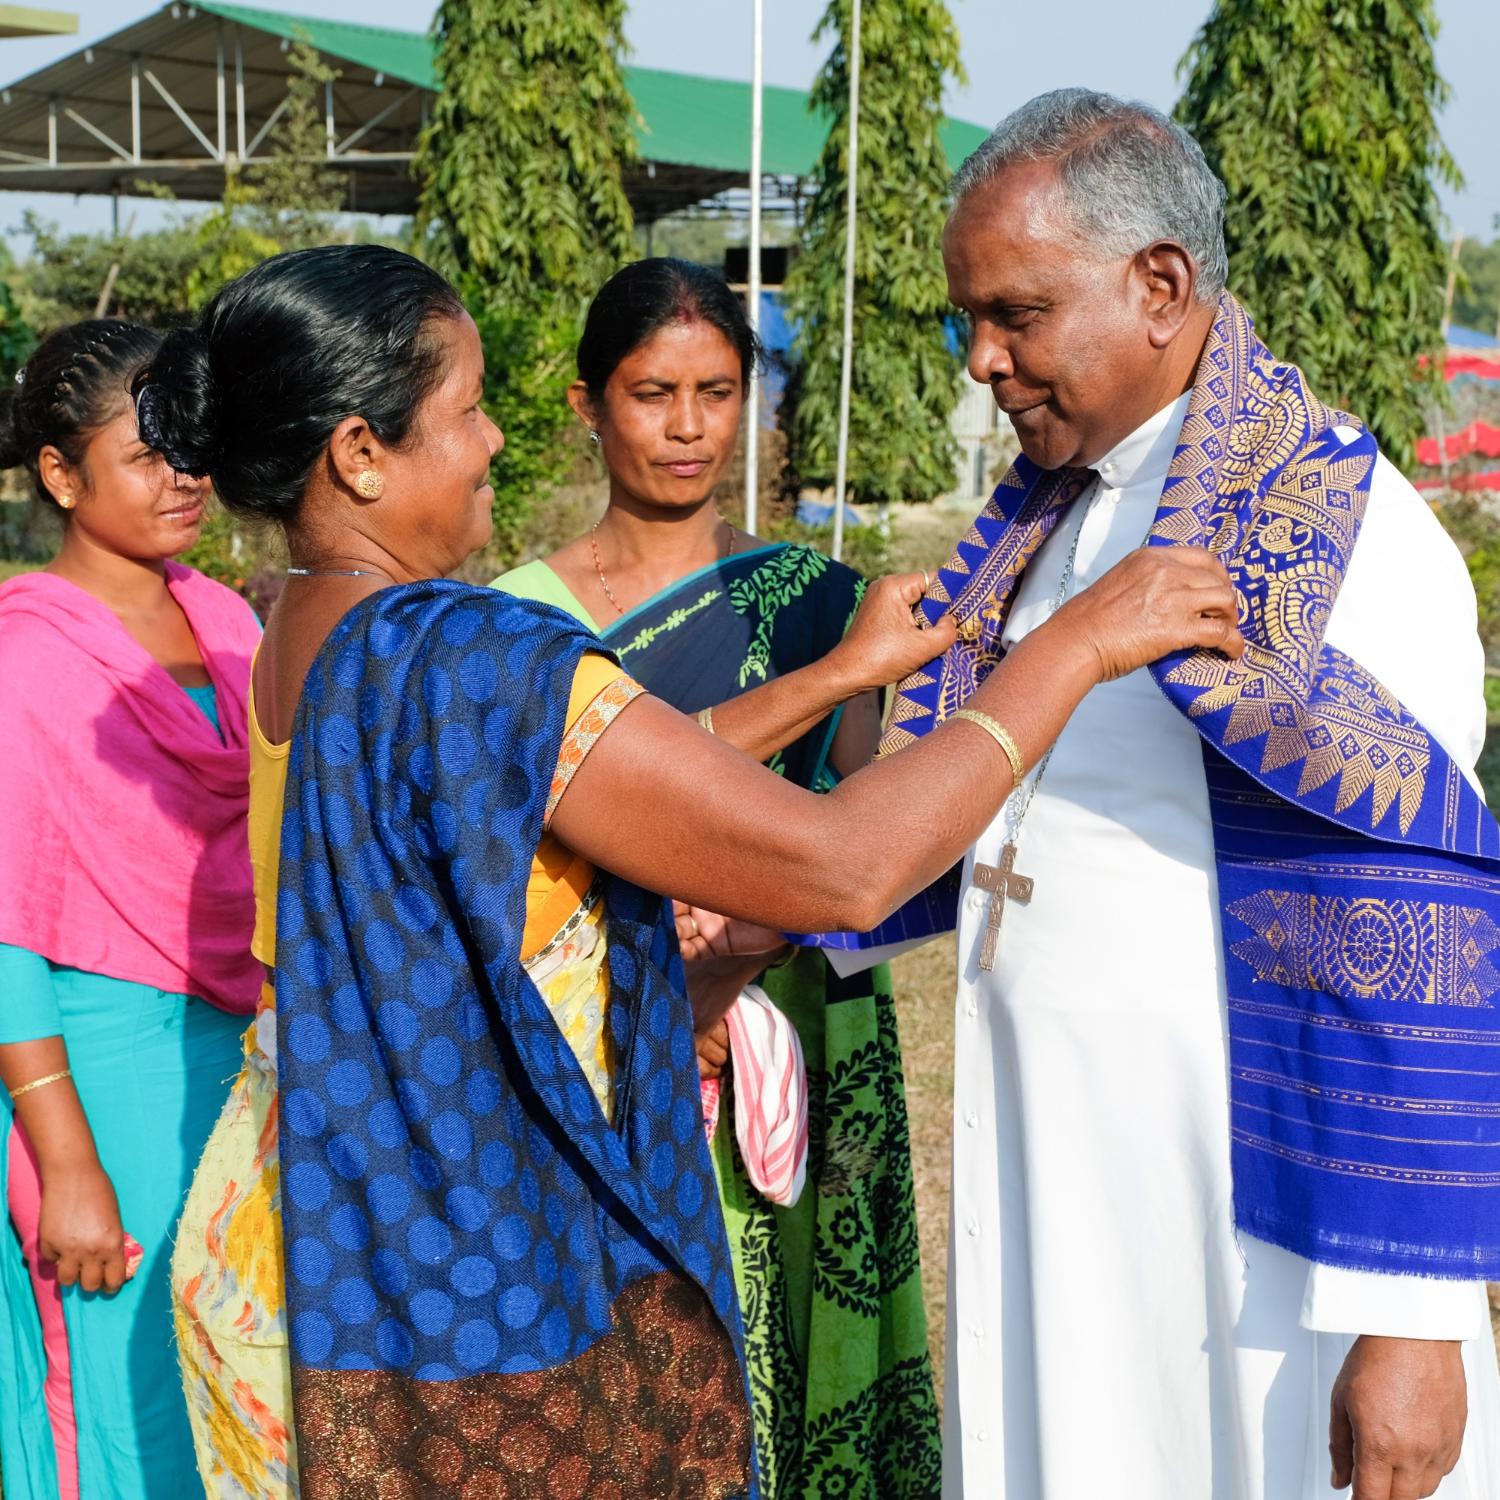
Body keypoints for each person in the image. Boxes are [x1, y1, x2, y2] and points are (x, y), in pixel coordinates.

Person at [135, 242, 1240, 1498]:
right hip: (447, 1277)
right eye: (466, 409)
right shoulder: (467, 654)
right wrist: (1083, 644)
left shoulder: (303, 629)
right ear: (358, 454)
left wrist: (835, 677)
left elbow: (605, 788)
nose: (495, 440)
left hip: (285, 1230)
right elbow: (844, 867)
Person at [881, 89, 1500, 1500]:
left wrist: (1412, 1320)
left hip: (1247, 1240)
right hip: (1058, 1168)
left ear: (1162, 288)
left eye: (1018, 314)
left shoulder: (1343, 534)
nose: (983, 359)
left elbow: (1408, 930)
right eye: (968, 318)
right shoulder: (1054, 519)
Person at [496, 256, 942, 1496]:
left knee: (810, 1353)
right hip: (618, 1034)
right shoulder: (523, 621)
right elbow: (550, 833)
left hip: (801, 1014)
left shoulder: (821, 601)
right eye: (652, 392)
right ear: (590, 403)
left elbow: (868, 824)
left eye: (717, 389)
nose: (687, 427)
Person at [0, 321, 261, 1499]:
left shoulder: (234, 623)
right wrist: (68, 1164)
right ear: (61, 474)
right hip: (95, 1076)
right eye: (149, 451)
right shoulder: (26, 661)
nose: (185, 476)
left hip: (242, 1063)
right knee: (114, 1405)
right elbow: (3, 931)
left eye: (194, 446)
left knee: (231, 1392)